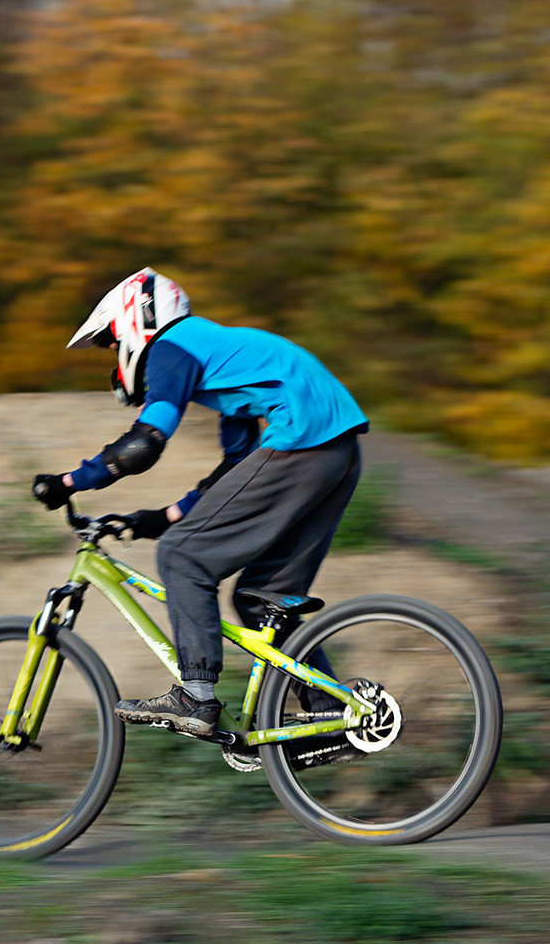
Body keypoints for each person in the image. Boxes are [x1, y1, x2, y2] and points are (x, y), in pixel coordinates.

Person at [30, 267, 368, 739]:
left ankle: (197, 695)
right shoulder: (218, 359)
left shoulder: (173, 346)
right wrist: (157, 519)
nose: (113, 353)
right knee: (258, 601)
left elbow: (144, 443)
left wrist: (68, 482)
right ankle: (333, 716)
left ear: (135, 319)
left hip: (305, 441)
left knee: (182, 557)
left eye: (110, 341)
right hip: (338, 452)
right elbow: (233, 475)